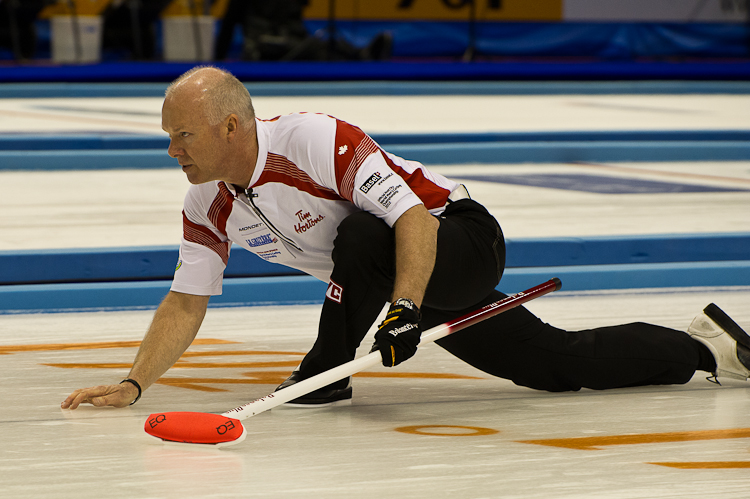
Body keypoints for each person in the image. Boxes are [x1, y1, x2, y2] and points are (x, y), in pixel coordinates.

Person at [61, 66, 750, 410]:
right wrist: (133, 381)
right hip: (402, 280)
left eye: (181, 136)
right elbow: (186, 299)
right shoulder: (204, 203)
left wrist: (402, 310)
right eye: (168, 138)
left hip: (460, 238)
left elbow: (410, 220)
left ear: (230, 128)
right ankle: (706, 344)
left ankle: (323, 375)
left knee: (362, 233)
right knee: (558, 362)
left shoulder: (314, 138)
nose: (172, 151)